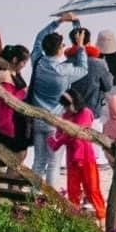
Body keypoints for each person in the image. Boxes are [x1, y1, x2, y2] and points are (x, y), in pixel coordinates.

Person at [27, 28, 83, 182]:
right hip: (56, 121)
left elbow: (38, 38)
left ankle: (33, 196)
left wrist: (57, 22)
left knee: (38, 162)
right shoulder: (64, 70)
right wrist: (80, 46)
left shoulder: (38, 62)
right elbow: (83, 68)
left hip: (37, 119)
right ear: (59, 49)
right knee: (53, 163)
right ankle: (50, 201)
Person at [53, 92, 106, 222]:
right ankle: (74, 220)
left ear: (75, 102)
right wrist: (61, 136)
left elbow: (78, 132)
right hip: (72, 159)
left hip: (86, 158)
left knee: (92, 189)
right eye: (65, 107)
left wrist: (61, 137)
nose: (66, 109)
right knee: (73, 190)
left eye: (68, 105)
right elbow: (61, 134)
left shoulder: (86, 112)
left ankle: (102, 217)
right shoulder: (65, 116)